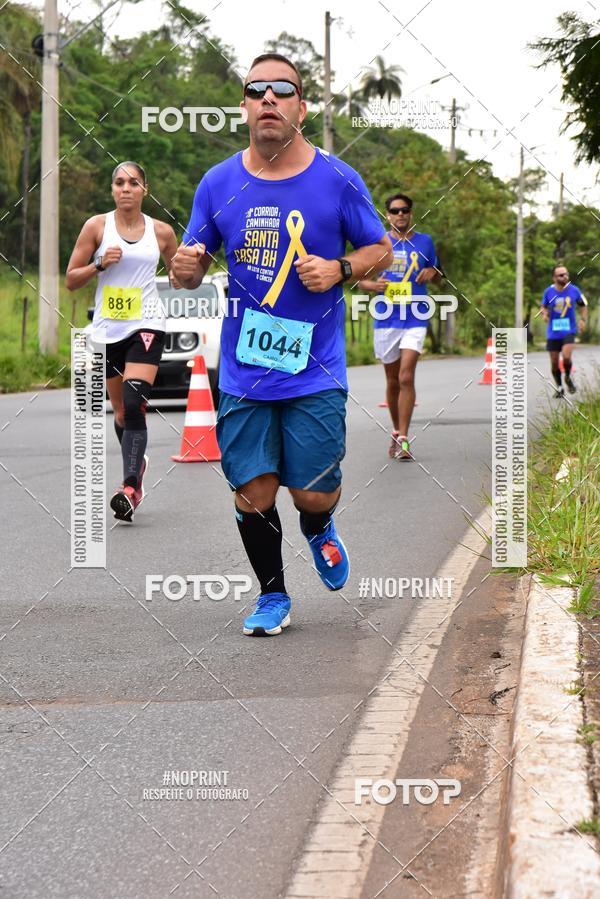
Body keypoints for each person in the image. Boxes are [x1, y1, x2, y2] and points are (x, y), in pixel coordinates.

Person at [172, 53, 392, 636]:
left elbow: (381, 250)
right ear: (243, 105)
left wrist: (341, 267)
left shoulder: (337, 178)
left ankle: (319, 528)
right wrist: (185, 267)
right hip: (245, 367)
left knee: (313, 494)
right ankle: (273, 596)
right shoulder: (219, 182)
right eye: (256, 90)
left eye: (282, 90)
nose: (268, 98)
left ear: (301, 106)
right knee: (254, 490)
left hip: (315, 366)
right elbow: (190, 268)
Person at [66, 162, 177, 521]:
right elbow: (71, 279)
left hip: (146, 325)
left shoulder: (161, 232)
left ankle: (129, 487)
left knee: (133, 403)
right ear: (112, 189)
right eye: (118, 182)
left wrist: (189, 265)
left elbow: (178, 277)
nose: (125, 188)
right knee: (120, 412)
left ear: (145, 189)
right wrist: (99, 263)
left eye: (133, 182)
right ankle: (137, 464)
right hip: (107, 330)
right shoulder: (97, 227)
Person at [358, 193, 441, 459]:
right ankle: (395, 430)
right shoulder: (378, 244)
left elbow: (437, 273)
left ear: (411, 213)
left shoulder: (425, 242)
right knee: (393, 380)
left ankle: (404, 438)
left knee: (406, 376)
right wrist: (374, 285)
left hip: (416, 316)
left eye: (405, 210)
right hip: (386, 320)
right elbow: (361, 280)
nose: (400, 215)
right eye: (395, 211)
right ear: (387, 215)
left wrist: (433, 273)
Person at [541, 264, 588, 397]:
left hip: (569, 329)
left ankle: (567, 377)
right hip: (553, 331)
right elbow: (543, 306)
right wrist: (544, 314)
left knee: (566, 357)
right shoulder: (548, 292)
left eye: (566, 274)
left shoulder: (574, 290)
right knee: (554, 362)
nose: (565, 276)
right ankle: (560, 387)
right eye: (561, 275)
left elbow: (583, 306)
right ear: (554, 278)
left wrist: (583, 320)